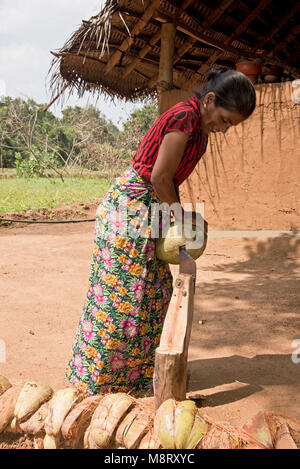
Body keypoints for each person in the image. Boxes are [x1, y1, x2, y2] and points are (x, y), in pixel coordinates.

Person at [65, 67, 256, 396]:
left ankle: (136, 378)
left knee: (153, 295)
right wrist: (181, 220)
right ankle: (94, 383)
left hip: (148, 211)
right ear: (210, 100)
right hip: (130, 210)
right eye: (225, 120)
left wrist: (180, 219)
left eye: (231, 126)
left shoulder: (198, 127)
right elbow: (160, 178)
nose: (224, 129)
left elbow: (167, 183)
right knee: (121, 298)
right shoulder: (184, 118)